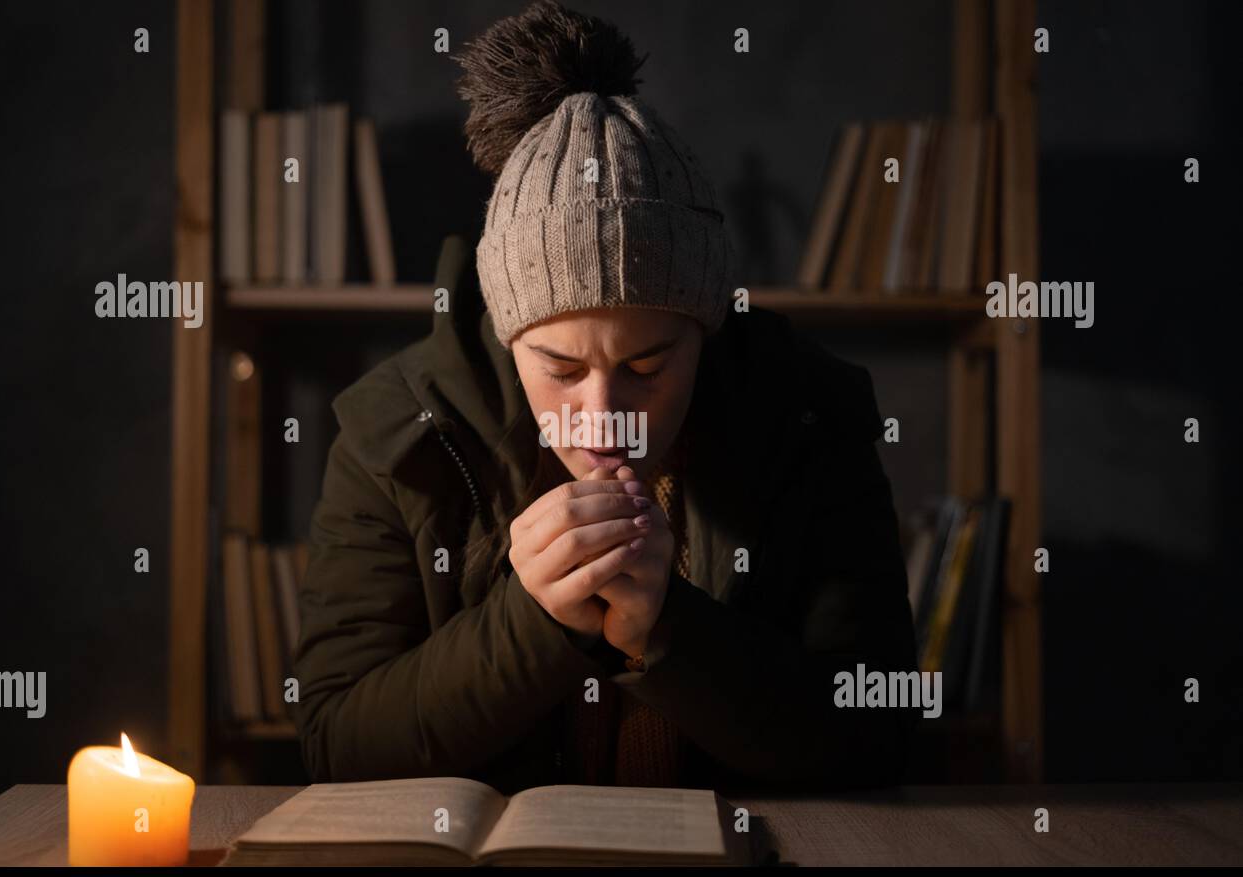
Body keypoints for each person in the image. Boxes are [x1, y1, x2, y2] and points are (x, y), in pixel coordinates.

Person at [293, 0, 917, 795]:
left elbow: (881, 735)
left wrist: (669, 632)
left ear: (708, 332)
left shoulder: (808, 418)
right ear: (506, 336)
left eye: (649, 365)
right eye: (558, 367)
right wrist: (535, 622)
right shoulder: (399, 433)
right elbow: (335, 745)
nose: (603, 415)